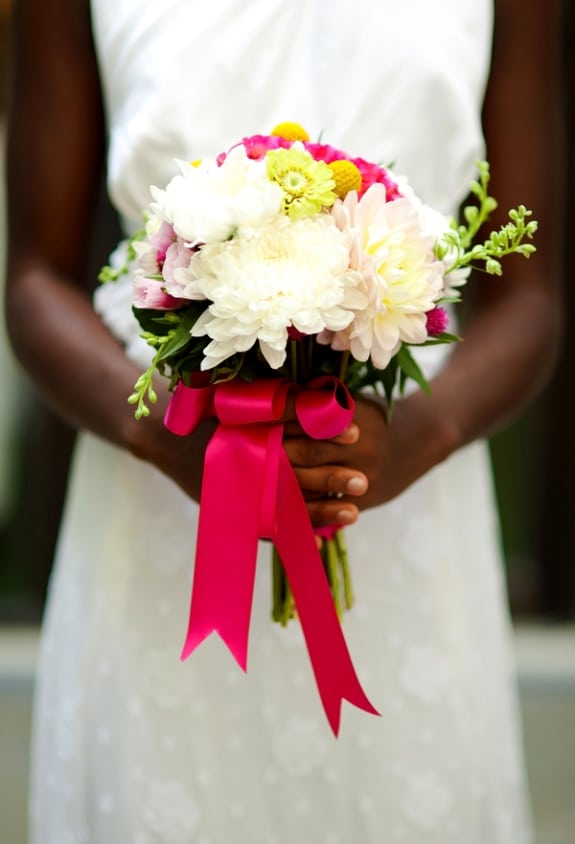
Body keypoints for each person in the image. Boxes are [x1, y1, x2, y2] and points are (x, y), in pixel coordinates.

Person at [4, 0, 563, 842]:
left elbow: (532, 301)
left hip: (408, 499)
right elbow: (34, 279)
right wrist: (166, 436)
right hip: (160, 491)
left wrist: (418, 433)